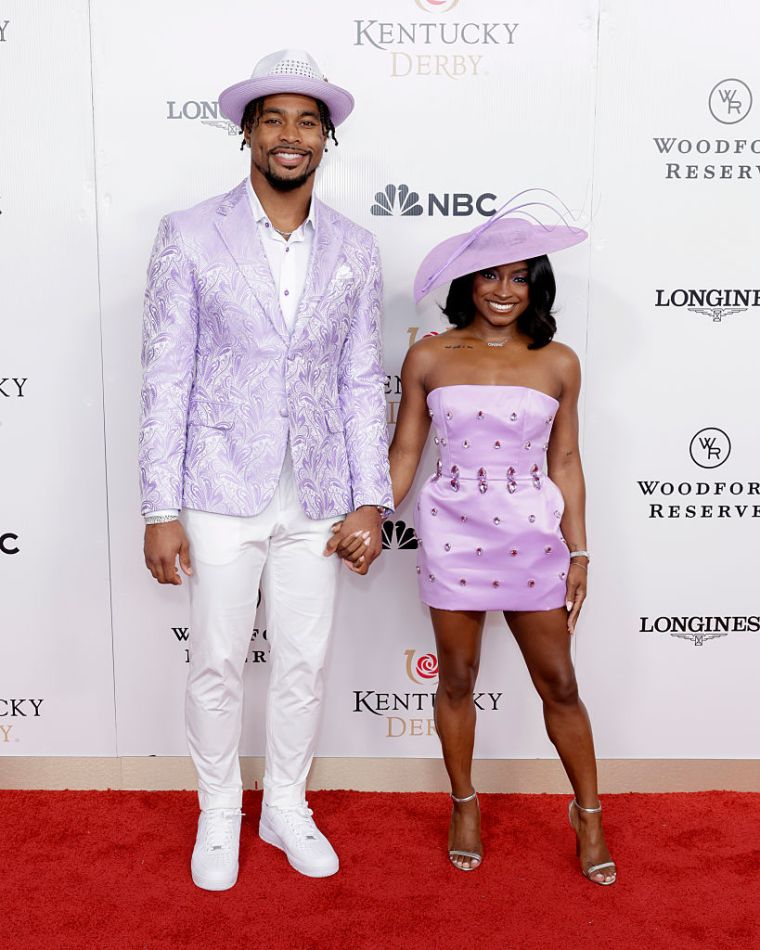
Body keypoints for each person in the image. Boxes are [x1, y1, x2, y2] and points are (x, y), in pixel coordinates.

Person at [139, 49, 392, 890]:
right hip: (217, 485)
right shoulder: (188, 234)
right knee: (215, 660)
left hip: (318, 493)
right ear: (247, 133)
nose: (291, 135)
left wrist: (370, 498)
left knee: (303, 661)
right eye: (274, 119)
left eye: (307, 121)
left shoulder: (356, 248)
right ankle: (219, 810)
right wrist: (158, 508)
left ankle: (285, 805)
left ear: (326, 139)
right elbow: (166, 375)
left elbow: (361, 379)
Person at [357, 207, 616, 883]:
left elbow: (566, 462)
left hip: (533, 537)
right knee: (457, 677)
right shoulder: (429, 355)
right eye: (490, 276)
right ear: (467, 282)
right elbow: (405, 453)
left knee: (560, 683)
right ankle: (464, 803)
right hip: (453, 533)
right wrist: (371, 516)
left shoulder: (558, 361)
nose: (504, 290)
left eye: (520, 277)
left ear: (537, 285)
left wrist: (579, 552)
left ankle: (588, 813)